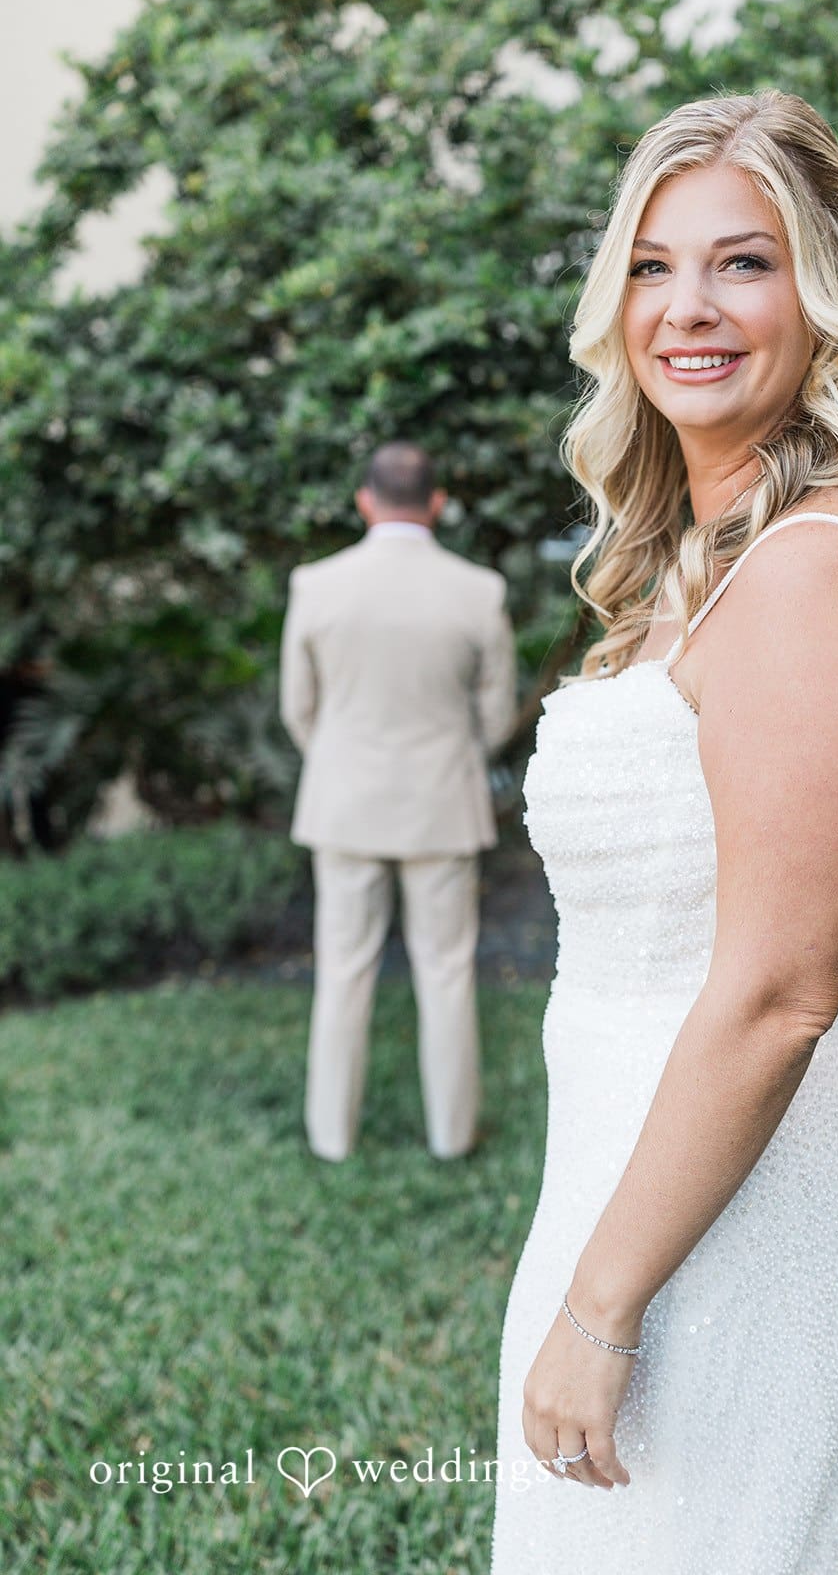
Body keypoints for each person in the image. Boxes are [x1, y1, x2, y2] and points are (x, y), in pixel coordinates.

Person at [490, 89, 838, 1573]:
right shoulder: (715, 553)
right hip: (640, 1181)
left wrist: (598, 1304)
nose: (685, 307)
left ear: (818, 294)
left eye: (741, 263)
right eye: (649, 264)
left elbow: (772, 997)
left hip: (737, 1213)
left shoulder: (815, 573)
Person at [279, 443, 517, 1162]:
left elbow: (299, 708)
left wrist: (342, 759)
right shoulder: (478, 590)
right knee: (445, 972)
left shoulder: (316, 585)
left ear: (364, 501)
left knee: (342, 970)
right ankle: (451, 1137)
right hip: (442, 803)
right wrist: (451, 755)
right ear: (436, 503)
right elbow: (498, 717)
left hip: (343, 803)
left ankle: (331, 1137)